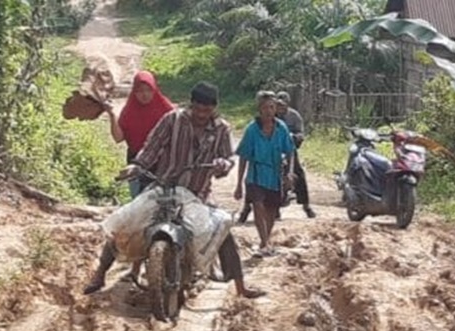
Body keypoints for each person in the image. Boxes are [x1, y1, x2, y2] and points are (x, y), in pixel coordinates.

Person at [84, 82, 264, 299]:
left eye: (206, 111)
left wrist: (222, 165)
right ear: (191, 105)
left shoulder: (221, 129)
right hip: (164, 188)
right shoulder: (173, 119)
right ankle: (100, 274)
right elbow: (152, 146)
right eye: (197, 109)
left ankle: (241, 286)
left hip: (198, 194)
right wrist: (137, 166)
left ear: (214, 109)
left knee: (224, 232)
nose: (200, 114)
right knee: (126, 224)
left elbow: (227, 160)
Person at [234, 91, 296, 257]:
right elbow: (244, 157)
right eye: (265, 107)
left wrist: (289, 173)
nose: (269, 111)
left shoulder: (281, 128)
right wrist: (239, 184)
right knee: (258, 205)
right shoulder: (252, 130)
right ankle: (265, 241)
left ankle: (264, 241)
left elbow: (290, 151)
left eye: (272, 107)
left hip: (274, 175)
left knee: (271, 209)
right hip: (255, 174)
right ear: (259, 109)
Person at [238, 91, 315, 222]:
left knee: (299, 173)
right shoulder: (257, 124)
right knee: (253, 179)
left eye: (281, 105)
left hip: (287, 149)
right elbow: (245, 153)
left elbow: (300, 136)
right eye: (277, 105)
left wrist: (294, 138)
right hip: (265, 156)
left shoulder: (293, 117)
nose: (277, 109)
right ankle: (247, 207)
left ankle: (306, 205)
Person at [104, 71, 176, 198]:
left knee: (162, 201)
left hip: (162, 162)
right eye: (140, 90)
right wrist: (111, 115)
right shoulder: (129, 111)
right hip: (136, 161)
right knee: (138, 200)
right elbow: (118, 138)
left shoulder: (166, 110)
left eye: (149, 90)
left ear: (155, 90)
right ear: (134, 92)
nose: (144, 94)